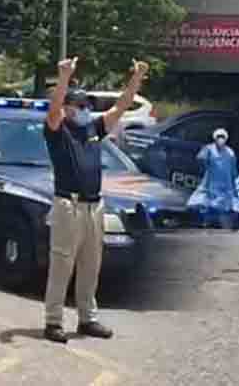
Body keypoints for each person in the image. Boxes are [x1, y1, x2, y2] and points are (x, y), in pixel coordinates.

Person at [42, 57, 149, 344]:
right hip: (68, 204)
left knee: (91, 263)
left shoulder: (92, 129)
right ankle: (53, 321)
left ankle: (87, 317)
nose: (84, 111)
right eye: (79, 106)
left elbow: (121, 107)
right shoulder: (58, 130)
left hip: (94, 204)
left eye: (86, 107)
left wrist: (136, 78)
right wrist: (64, 76)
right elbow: (53, 110)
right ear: (68, 108)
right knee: (62, 263)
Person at [187, 128, 239, 230]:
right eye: (219, 137)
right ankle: (206, 228)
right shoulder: (208, 149)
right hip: (211, 183)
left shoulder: (230, 152)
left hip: (226, 185)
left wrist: (234, 185)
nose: (221, 139)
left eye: (223, 137)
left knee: (224, 210)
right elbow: (200, 161)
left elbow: (233, 170)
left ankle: (226, 231)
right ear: (215, 138)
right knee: (207, 207)